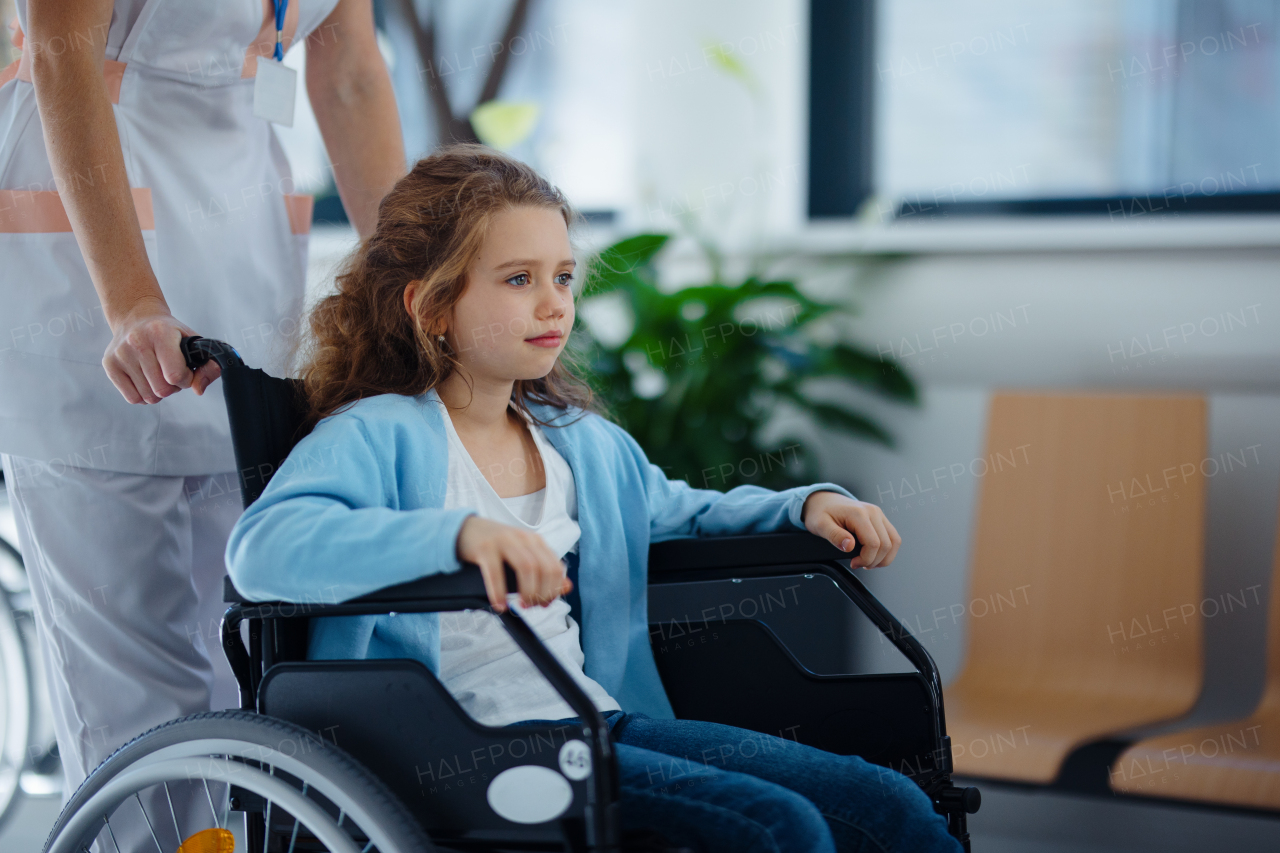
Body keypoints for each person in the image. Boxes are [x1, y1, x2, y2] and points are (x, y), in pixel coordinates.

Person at [226, 144, 959, 852]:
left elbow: (681, 511)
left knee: (885, 803)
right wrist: (456, 539)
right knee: (775, 826)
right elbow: (264, 551)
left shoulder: (575, 441)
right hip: (458, 749)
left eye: (564, 278)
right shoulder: (377, 432)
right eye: (518, 280)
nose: (553, 304)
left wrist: (798, 508)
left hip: (596, 721)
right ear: (432, 307)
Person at [0, 0, 404, 818]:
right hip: (88, 262)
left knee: (247, 664)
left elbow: (350, 68)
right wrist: (130, 301)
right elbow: (60, 54)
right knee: (137, 703)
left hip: (241, 248)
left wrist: (413, 290)